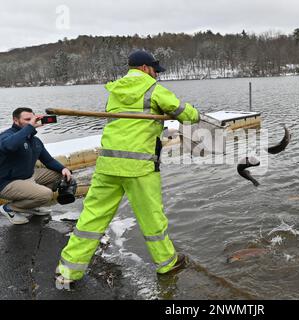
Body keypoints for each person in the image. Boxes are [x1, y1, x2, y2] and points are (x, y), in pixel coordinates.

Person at [56, 50, 200, 286]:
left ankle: (68, 272)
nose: (156, 75)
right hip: (139, 167)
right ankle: (166, 263)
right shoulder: (154, 89)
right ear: (145, 68)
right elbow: (187, 114)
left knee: (91, 218)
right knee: (152, 218)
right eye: (155, 70)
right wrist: (192, 112)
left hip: (108, 165)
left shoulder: (114, 93)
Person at [0, 108, 72, 224]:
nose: (31, 122)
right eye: (27, 119)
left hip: (28, 177)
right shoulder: (6, 136)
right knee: (45, 195)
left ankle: (32, 205)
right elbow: (10, 146)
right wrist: (30, 128)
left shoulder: (34, 140)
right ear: (15, 120)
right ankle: (9, 208)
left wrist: (64, 169)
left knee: (59, 175)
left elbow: (48, 160)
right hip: (6, 182)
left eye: (32, 119)